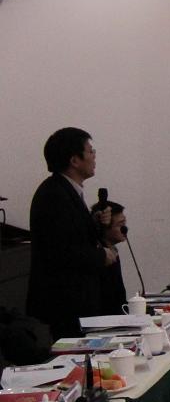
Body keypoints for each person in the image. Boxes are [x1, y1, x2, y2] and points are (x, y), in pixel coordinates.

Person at [26, 128, 121, 339]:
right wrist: (101, 255)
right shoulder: (54, 195)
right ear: (74, 160)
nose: (94, 156)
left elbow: (72, 234)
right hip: (64, 305)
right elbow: (60, 252)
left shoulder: (66, 190)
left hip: (77, 301)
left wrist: (94, 222)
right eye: (90, 151)